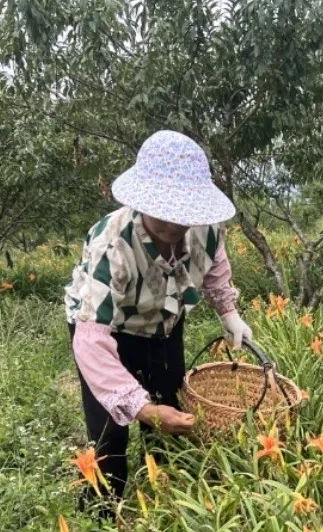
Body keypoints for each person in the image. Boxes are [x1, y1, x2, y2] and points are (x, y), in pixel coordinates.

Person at [64, 130, 252, 509]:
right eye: (163, 216)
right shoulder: (112, 244)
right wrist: (141, 409)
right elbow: (91, 340)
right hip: (108, 331)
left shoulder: (206, 227)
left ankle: (168, 501)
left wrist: (229, 313)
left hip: (165, 324)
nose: (175, 226)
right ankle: (104, 511)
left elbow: (214, 268)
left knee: (174, 416)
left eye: (183, 216)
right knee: (110, 432)